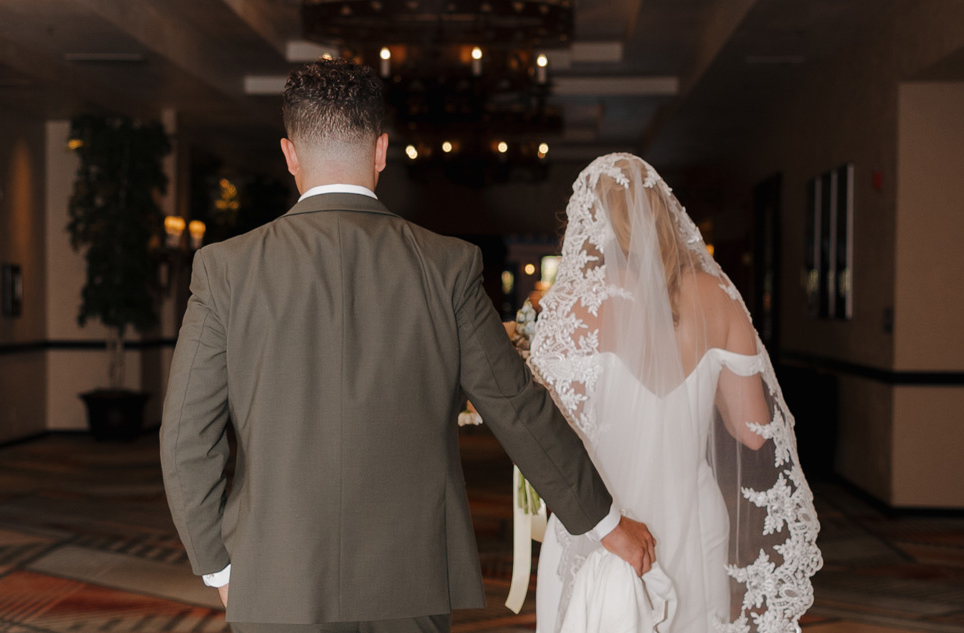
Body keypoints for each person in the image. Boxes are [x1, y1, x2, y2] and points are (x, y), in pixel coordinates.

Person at [159, 60, 657, 633]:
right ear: (381, 151)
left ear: (290, 154)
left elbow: (184, 440)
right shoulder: (446, 265)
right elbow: (517, 407)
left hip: (275, 576)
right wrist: (604, 521)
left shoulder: (227, 270)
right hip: (409, 578)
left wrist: (218, 568)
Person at [527, 154, 823, 633]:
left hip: (603, 522)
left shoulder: (577, 307)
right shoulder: (718, 297)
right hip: (693, 518)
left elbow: (544, 430)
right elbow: (751, 432)